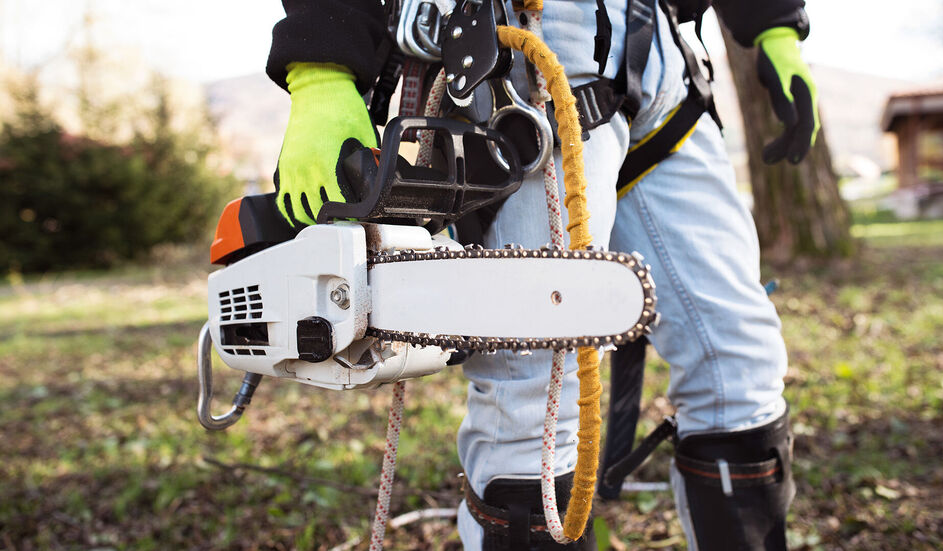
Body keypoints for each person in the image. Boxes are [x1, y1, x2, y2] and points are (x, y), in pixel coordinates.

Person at [266, 0, 819, 549]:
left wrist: (773, 25)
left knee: (737, 370)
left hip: (662, 50)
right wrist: (321, 70)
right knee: (532, 415)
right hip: (522, 53)